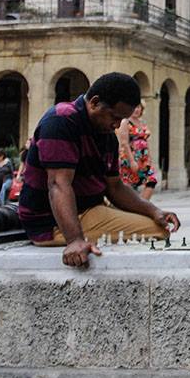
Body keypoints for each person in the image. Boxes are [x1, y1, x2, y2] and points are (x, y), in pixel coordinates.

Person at [18, 72, 181, 268]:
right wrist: (75, 240)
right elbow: (58, 184)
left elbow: (115, 187)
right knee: (158, 232)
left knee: (158, 224)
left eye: (122, 120)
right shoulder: (61, 121)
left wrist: (154, 211)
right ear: (94, 102)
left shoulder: (106, 135)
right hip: (51, 224)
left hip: (91, 210)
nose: (117, 124)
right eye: (114, 116)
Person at [117, 103, 159, 200]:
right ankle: (132, 208)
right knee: (129, 184)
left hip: (144, 159)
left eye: (139, 107)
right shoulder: (125, 122)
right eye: (134, 107)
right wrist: (132, 161)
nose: (136, 110)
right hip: (130, 158)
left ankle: (142, 206)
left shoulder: (142, 123)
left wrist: (150, 158)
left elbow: (145, 141)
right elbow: (124, 142)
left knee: (151, 180)